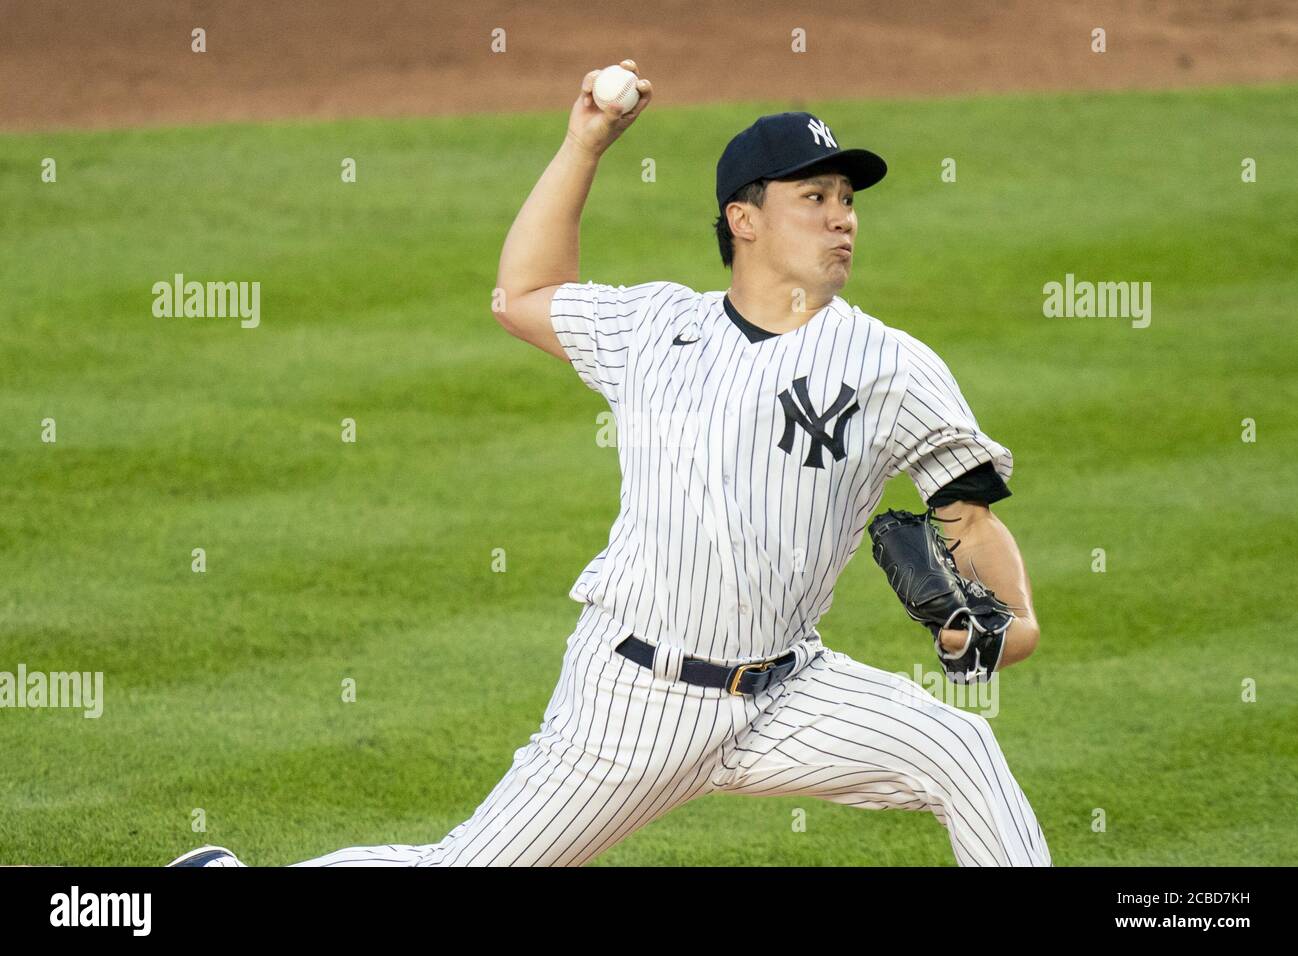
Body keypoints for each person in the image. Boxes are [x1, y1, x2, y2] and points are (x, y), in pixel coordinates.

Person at [171, 59, 1049, 868]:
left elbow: (967, 515)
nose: (843, 217)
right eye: (813, 197)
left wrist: (1007, 624)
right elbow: (523, 294)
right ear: (744, 219)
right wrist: (584, 143)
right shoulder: (655, 328)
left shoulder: (895, 366)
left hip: (791, 688)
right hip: (635, 695)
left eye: (848, 200)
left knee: (959, 748)